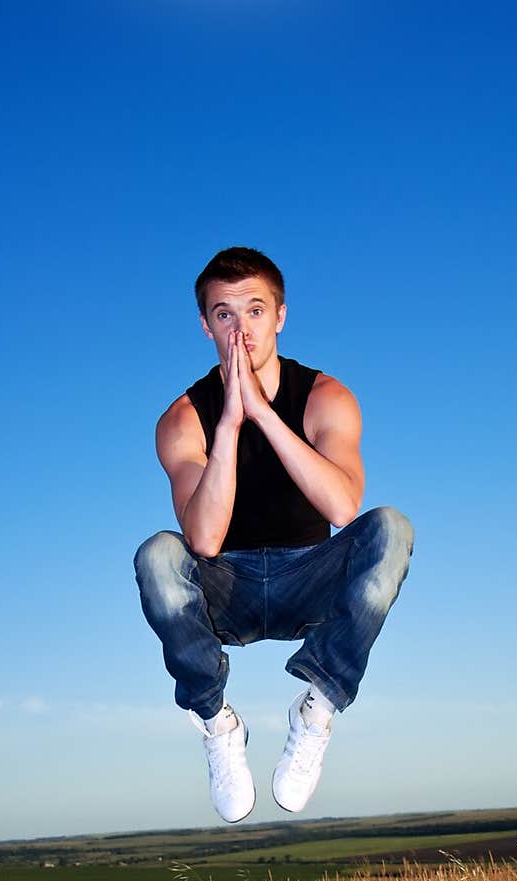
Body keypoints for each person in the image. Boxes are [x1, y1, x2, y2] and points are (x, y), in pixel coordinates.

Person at [133, 247, 414, 824]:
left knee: (390, 528)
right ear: (205, 324)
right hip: (226, 588)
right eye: (224, 314)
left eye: (255, 311)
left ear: (281, 316)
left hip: (308, 579)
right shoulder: (182, 419)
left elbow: (342, 505)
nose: (241, 330)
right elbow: (204, 541)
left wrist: (265, 414)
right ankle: (216, 720)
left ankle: (317, 707)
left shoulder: (324, 397)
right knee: (158, 555)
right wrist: (232, 422)